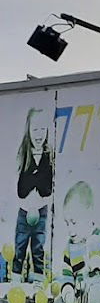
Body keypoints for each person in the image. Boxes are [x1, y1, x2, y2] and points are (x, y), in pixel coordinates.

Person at [14, 108, 53, 283]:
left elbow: (46, 189)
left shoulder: (48, 154)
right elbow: (22, 190)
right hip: (24, 211)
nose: (39, 134)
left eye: (42, 129)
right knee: (20, 247)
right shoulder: (24, 153)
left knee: (38, 249)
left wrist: (35, 178)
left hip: (41, 210)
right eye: (35, 129)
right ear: (28, 130)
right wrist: (35, 177)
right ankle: (16, 280)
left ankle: (37, 281)